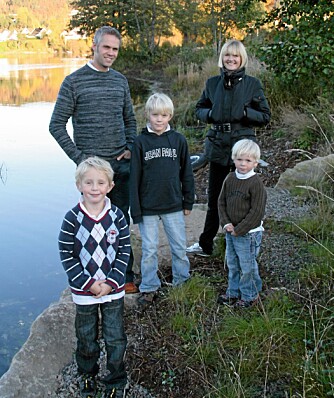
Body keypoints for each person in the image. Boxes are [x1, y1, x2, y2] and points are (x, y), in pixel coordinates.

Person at [50, 25, 138, 294]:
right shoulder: (74, 82)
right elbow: (56, 125)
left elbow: (130, 119)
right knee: (90, 224)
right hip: (92, 172)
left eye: (115, 49)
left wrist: (131, 146)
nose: (111, 53)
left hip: (120, 165)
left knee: (120, 221)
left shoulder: (120, 81)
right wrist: (80, 159)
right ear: (95, 46)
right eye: (107, 47)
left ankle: (124, 276)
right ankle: (90, 278)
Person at [186, 39, 271, 257]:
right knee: (215, 197)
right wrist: (210, 114)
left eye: (235, 56)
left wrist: (245, 113)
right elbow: (199, 109)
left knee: (241, 196)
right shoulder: (212, 83)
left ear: (242, 59)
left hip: (242, 147)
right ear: (222, 58)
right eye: (227, 55)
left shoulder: (252, 84)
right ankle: (206, 245)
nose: (230, 59)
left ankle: (241, 244)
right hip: (217, 145)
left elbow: (265, 116)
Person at [58, 157, 130, 397]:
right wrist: (88, 284)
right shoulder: (72, 218)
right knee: (87, 337)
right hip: (84, 293)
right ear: (79, 185)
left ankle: (116, 379)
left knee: (115, 336)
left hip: (113, 290)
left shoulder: (117, 216)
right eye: (89, 182)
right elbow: (67, 254)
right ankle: (87, 375)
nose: (95, 188)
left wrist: (111, 282)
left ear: (110, 186)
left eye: (101, 182)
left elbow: (124, 250)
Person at [130, 93, 195, 306]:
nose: (159, 119)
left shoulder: (178, 140)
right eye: (155, 115)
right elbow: (134, 178)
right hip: (148, 206)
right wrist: (136, 209)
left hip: (173, 204)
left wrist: (188, 201)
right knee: (149, 249)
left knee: (178, 246)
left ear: (170, 116)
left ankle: (182, 281)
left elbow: (187, 171)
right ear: (148, 114)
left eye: (164, 115)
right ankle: (149, 286)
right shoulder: (140, 142)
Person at [217, 139, 266, 308]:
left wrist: (240, 229)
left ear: (255, 163)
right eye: (239, 159)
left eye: (248, 160)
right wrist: (226, 224)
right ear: (233, 159)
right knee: (232, 263)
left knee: (247, 266)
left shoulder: (256, 183)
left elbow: (257, 212)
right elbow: (221, 202)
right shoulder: (230, 178)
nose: (243, 164)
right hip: (230, 231)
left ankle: (250, 295)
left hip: (248, 234)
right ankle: (233, 292)